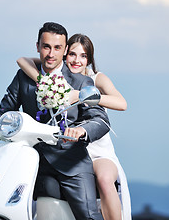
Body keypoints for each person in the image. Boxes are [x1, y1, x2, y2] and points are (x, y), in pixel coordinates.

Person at [0, 22, 110, 220]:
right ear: (37, 46)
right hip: (32, 161)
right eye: (46, 46)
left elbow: (100, 120)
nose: (51, 53)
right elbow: (6, 107)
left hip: (71, 163)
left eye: (57, 48)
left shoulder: (80, 82)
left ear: (65, 50)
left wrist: (81, 131)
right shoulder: (24, 77)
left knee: (89, 216)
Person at [17, 33, 132, 220]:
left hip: (96, 150)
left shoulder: (96, 78)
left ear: (89, 59)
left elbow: (122, 103)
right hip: (70, 149)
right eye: (72, 54)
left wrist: (80, 95)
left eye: (84, 56)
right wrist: (43, 80)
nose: (77, 60)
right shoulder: (56, 78)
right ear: (64, 54)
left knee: (103, 179)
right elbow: (22, 60)